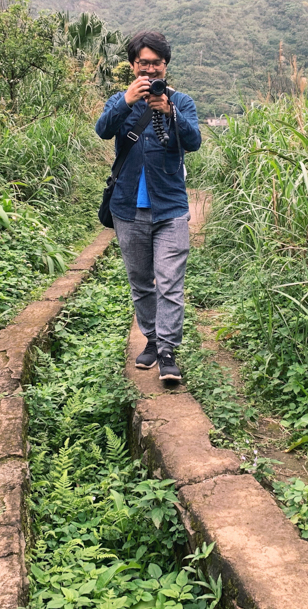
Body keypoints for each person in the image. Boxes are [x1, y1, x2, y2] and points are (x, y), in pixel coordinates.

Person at [95, 31, 201, 383]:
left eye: (157, 63)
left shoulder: (182, 101)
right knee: (141, 282)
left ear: (165, 65)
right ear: (133, 65)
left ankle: (168, 350)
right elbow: (102, 130)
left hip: (170, 208)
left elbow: (194, 141)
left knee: (170, 283)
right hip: (127, 208)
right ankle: (152, 340)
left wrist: (170, 112)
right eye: (144, 63)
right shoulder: (119, 100)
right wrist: (127, 101)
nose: (150, 69)